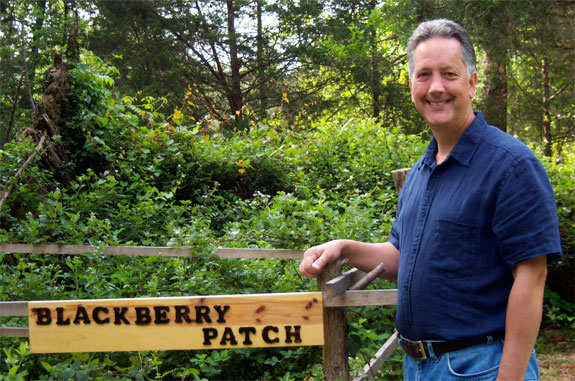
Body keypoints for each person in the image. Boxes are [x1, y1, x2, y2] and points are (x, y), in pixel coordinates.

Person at [299, 19, 562, 380]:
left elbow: (532, 277)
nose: (436, 87)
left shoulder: (511, 165)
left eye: (449, 74)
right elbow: (402, 256)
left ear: (471, 83)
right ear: (411, 85)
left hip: (480, 367)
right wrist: (343, 247)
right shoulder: (422, 171)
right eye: (424, 75)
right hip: (418, 367)